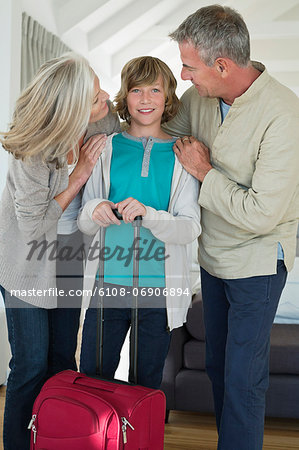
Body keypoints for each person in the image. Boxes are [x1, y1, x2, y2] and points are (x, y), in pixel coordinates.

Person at [161, 5, 299, 450]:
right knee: (220, 367)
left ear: (222, 66)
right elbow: (159, 133)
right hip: (213, 256)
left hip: (258, 259)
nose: (183, 76)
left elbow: (261, 213)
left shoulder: (284, 115)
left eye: (189, 66)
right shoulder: (201, 97)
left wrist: (204, 171)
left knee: (242, 375)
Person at [0, 52, 120, 450]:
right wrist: (80, 173)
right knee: (31, 365)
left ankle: (55, 439)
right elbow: (34, 229)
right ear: (70, 108)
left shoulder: (99, 116)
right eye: (93, 96)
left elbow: (135, 123)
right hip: (27, 266)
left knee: (62, 362)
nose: (104, 96)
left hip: (68, 259)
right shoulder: (33, 153)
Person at [78, 56, 201, 389]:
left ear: (168, 97)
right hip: (106, 287)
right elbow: (84, 220)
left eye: (155, 90)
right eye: (136, 90)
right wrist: (96, 209)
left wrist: (150, 214)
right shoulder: (104, 149)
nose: (145, 99)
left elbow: (190, 227)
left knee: (146, 386)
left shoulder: (182, 155)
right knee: (92, 381)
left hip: (158, 293)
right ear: (125, 97)